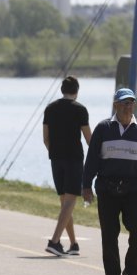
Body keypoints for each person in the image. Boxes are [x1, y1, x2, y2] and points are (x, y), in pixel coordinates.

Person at [83, 88, 137, 275]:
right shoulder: (103, 128)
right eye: (124, 103)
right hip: (107, 188)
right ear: (115, 105)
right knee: (109, 234)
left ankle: (133, 272)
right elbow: (91, 159)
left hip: (134, 188)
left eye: (131, 103)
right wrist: (86, 185)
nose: (128, 107)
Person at [42, 75, 92, 256]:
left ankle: (74, 244)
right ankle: (54, 242)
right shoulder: (80, 110)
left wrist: (54, 151)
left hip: (55, 158)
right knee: (70, 201)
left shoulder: (50, 109)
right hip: (74, 159)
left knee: (65, 201)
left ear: (62, 90)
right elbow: (89, 139)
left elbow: (45, 138)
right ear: (77, 91)